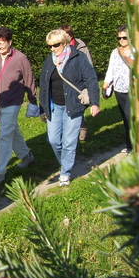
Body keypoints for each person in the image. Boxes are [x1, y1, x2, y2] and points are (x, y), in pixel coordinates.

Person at [39, 29, 100, 186]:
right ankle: (65, 163)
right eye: (50, 46)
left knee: (69, 142)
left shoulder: (78, 58)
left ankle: (65, 172)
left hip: (73, 106)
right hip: (54, 107)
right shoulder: (49, 60)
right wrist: (43, 108)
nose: (52, 49)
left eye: (56, 45)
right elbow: (44, 85)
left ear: (65, 43)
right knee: (53, 140)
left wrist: (94, 102)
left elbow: (91, 79)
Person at [0, 27, 37, 185]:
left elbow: (29, 80)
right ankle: (27, 156)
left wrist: (33, 101)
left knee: (4, 136)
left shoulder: (20, 58)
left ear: (10, 42)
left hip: (13, 103)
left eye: (2, 43)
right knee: (12, 130)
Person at [102, 26, 134, 154]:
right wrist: (105, 84)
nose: (121, 40)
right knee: (126, 119)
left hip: (134, 90)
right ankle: (130, 145)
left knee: (129, 117)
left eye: (124, 37)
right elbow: (111, 69)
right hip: (119, 90)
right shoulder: (115, 52)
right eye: (119, 38)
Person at [59, 24, 93, 142]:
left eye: (67, 35)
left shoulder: (80, 46)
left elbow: (88, 64)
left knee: (78, 105)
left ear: (71, 35)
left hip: (78, 81)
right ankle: (69, 130)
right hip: (66, 81)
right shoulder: (58, 48)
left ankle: (82, 127)